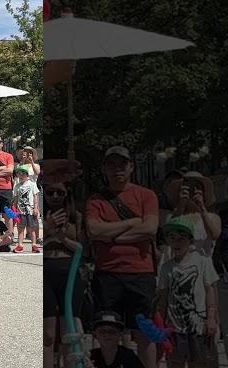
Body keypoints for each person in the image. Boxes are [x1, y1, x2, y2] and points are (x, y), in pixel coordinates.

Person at [85, 146, 158, 368]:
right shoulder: (96, 200)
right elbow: (94, 231)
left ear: (131, 167)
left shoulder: (147, 195)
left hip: (141, 273)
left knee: (143, 333)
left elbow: (150, 229)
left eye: (122, 165)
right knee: (108, 332)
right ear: (104, 169)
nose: (118, 169)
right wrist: (132, 223)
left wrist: (112, 235)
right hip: (107, 273)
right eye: (112, 165)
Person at [156, 217, 218, 368]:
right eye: (172, 238)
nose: (176, 242)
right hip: (174, 326)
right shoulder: (166, 267)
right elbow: (163, 298)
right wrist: (160, 323)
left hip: (198, 325)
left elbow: (210, 290)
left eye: (181, 238)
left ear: (190, 240)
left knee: (200, 362)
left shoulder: (203, 261)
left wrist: (211, 317)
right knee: (174, 361)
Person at [43, 182, 85, 368]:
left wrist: (61, 239)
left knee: (69, 331)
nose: (55, 196)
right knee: (47, 335)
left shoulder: (76, 217)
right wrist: (48, 229)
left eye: (60, 192)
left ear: (67, 193)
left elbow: (83, 249)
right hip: (46, 270)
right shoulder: (41, 215)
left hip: (70, 269)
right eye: (50, 192)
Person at [164, 171, 221, 258]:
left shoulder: (213, 217)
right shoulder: (173, 216)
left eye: (197, 187)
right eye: (188, 187)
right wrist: (182, 203)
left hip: (204, 267)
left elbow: (214, 235)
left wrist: (202, 208)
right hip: (178, 268)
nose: (193, 190)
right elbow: (169, 232)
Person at [13, 165, 41, 253]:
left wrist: (36, 208)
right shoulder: (17, 186)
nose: (21, 176)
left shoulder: (32, 184)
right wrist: (14, 209)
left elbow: (35, 196)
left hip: (30, 210)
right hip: (21, 211)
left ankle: (34, 245)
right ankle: (20, 245)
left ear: (27, 175)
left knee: (32, 228)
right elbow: (16, 199)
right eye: (19, 174)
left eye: (23, 174)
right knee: (20, 228)